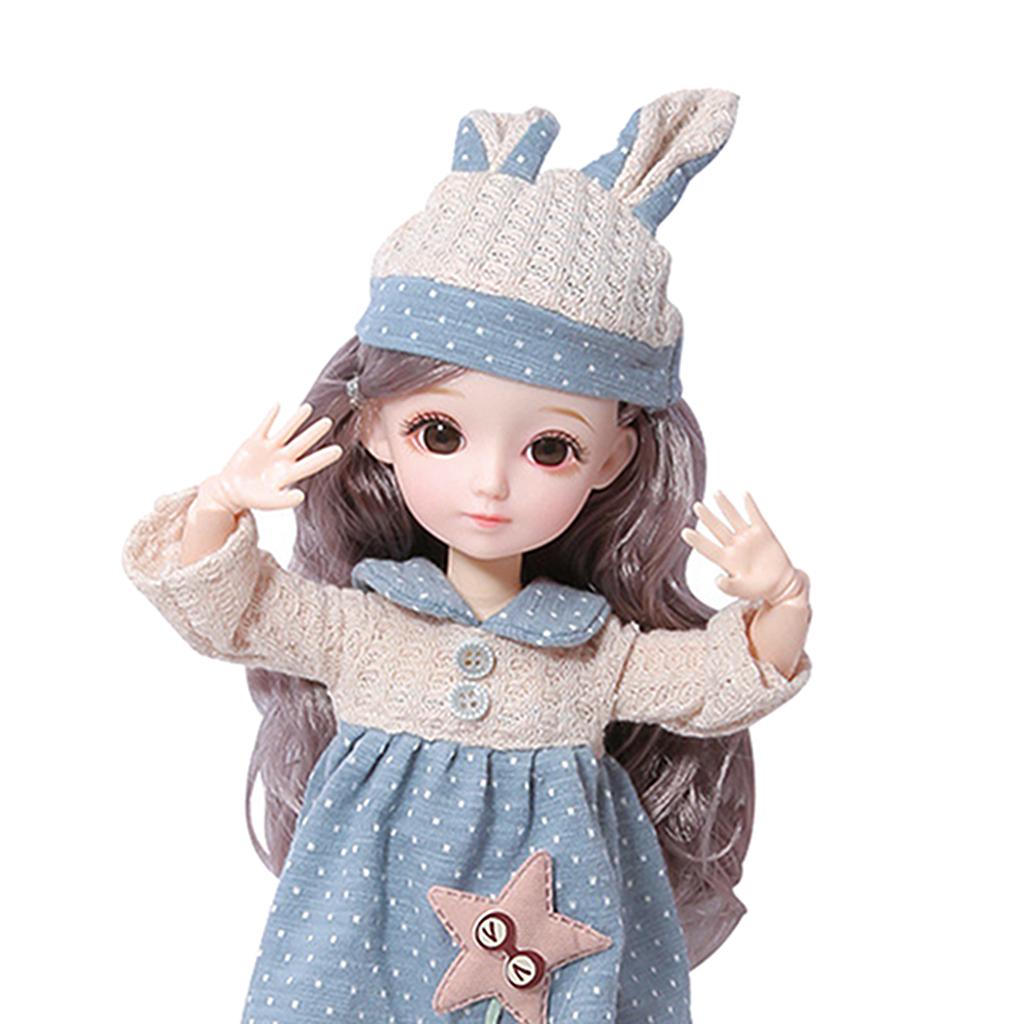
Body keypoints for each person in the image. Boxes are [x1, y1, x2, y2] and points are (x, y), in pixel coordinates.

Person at [123, 89, 812, 1024]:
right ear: (376, 425)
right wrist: (218, 504)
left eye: (550, 448)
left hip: (545, 959)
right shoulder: (363, 629)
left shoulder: (590, 653)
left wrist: (781, 602)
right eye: (440, 433)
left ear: (612, 459)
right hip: (359, 942)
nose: (490, 484)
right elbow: (232, 612)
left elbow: (709, 681)